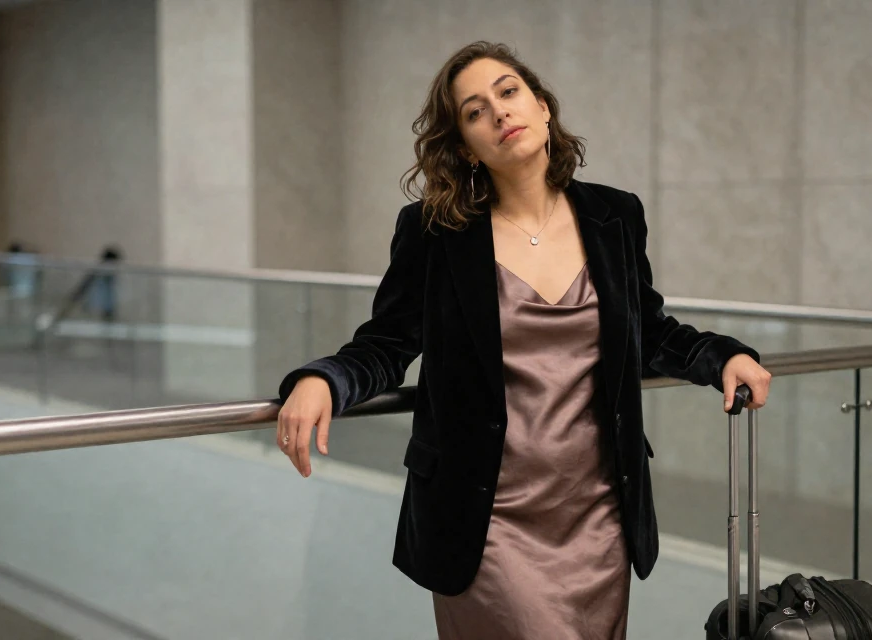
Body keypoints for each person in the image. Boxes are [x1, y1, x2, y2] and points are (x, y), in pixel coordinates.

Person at [275, 41, 772, 639]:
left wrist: (722, 355)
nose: (499, 112)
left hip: (598, 511)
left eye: (508, 92)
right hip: (487, 518)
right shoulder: (436, 231)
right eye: (474, 111)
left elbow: (649, 328)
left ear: (542, 107)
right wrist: (324, 379)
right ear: (466, 146)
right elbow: (387, 342)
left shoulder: (615, 215)